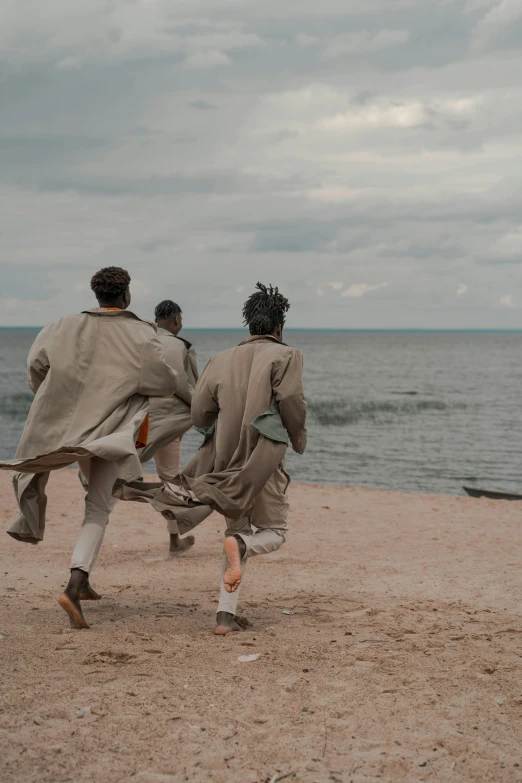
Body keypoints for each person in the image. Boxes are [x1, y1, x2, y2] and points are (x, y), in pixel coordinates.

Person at [114, 282, 307, 635]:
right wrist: (297, 438)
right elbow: (292, 402)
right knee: (273, 533)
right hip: (261, 463)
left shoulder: (220, 359)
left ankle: (225, 615)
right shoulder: (287, 355)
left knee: (234, 530)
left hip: (224, 461)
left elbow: (201, 415)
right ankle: (241, 553)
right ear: (279, 327)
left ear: (249, 325)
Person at [0, 267, 178, 629]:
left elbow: (36, 368)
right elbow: (162, 383)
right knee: (98, 508)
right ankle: (74, 585)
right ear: (126, 296)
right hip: (110, 436)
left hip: (72, 432)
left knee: (94, 500)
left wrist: (61, 403)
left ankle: (86, 582)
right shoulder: (142, 333)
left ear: (96, 295)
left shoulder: (60, 325)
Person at [138, 299, 199, 554]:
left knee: (120, 467)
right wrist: (201, 410)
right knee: (171, 479)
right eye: (180, 320)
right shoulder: (178, 346)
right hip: (169, 422)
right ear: (175, 320)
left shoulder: (142, 341)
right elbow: (184, 386)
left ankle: (96, 517)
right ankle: (175, 540)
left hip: (140, 419)